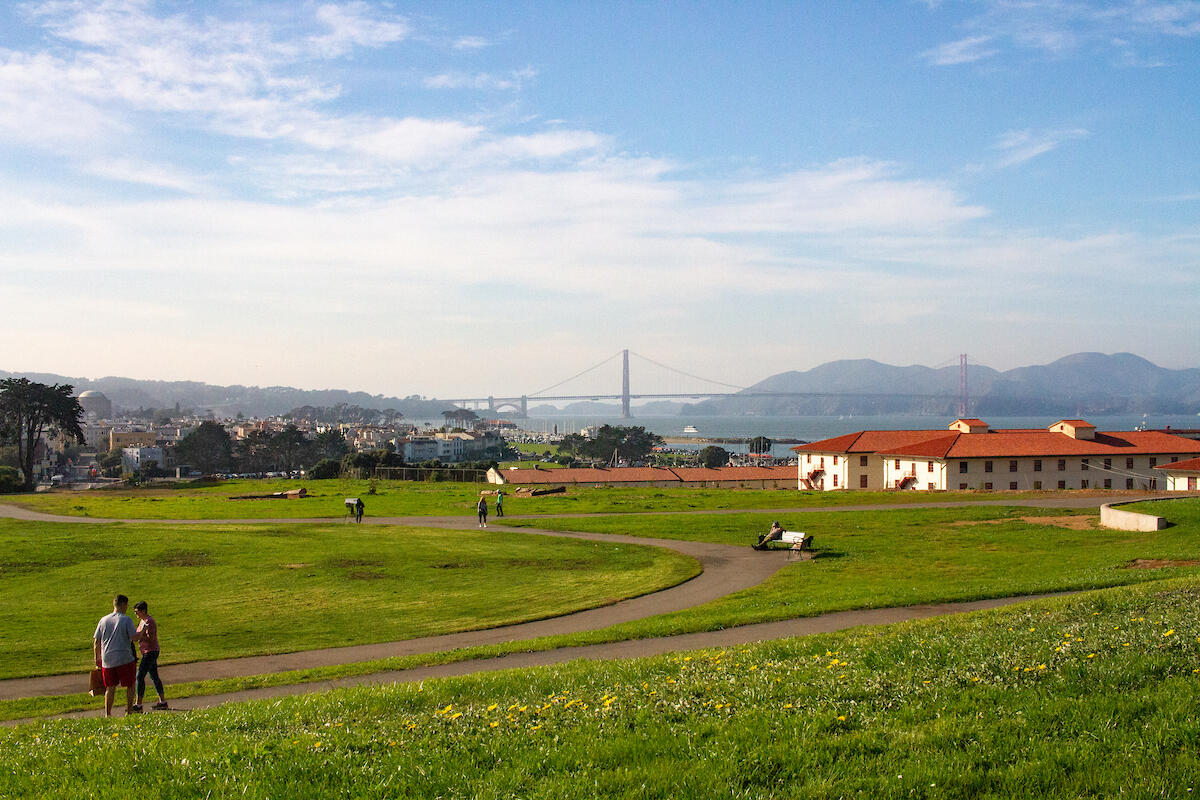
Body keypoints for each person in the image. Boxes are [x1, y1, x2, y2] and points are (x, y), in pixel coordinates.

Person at [93, 594, 139, 716]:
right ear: (123, 604)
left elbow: (96, 642)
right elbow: (134, 638)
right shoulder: (126, 619)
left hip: (107, 659)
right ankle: (129, 711)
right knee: (130, 684)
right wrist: (143, 632)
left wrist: (97, 659)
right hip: (124, 657)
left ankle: (108, 713)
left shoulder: (103, 620)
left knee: (110, 687)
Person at [131, 601, 168, 712]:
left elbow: (151, 639)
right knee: (154, 676)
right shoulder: (143, 621)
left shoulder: (149, 622)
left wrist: (140, 637)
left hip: (150, 652)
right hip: (147, 652)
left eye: (137, 612)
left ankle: (138, 704)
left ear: (143, 611)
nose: (136, 614)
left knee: (140, 676)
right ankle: (162, 702)